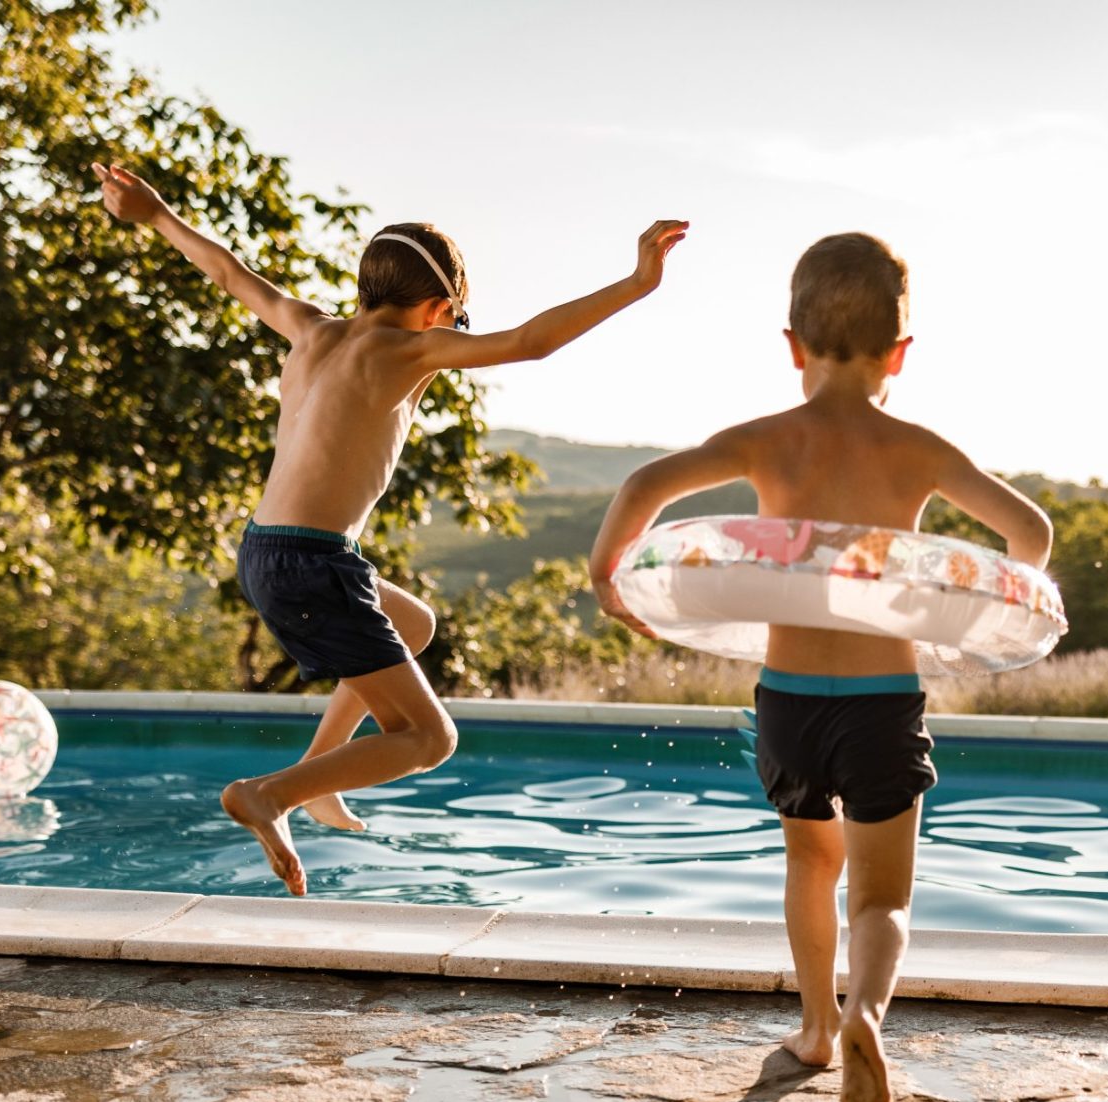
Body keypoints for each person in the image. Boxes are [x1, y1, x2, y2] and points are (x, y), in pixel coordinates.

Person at [94, 161, 687, 895]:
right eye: (454, 317)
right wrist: (637, 283)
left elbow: (228, 271)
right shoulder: (410, 349)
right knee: (431, 739)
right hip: (313, 562)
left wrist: (153, 213)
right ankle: (271, 795)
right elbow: (532, 341)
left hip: (266, 548)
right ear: (439, 306)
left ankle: (322, 778)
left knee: (413, 621)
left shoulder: (308, 326)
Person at [588, 234, 1053, 1102]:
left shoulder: (769, 440)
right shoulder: (918, 447)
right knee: (883, 895)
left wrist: (611, 580)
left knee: (811, 865)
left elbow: (648, 481)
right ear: (900, 354)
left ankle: (812, 1028)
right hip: (885, 700)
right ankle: (866, 1017)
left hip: (789, 701)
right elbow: (1026, 532)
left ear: (793, 344)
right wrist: (974, 622)